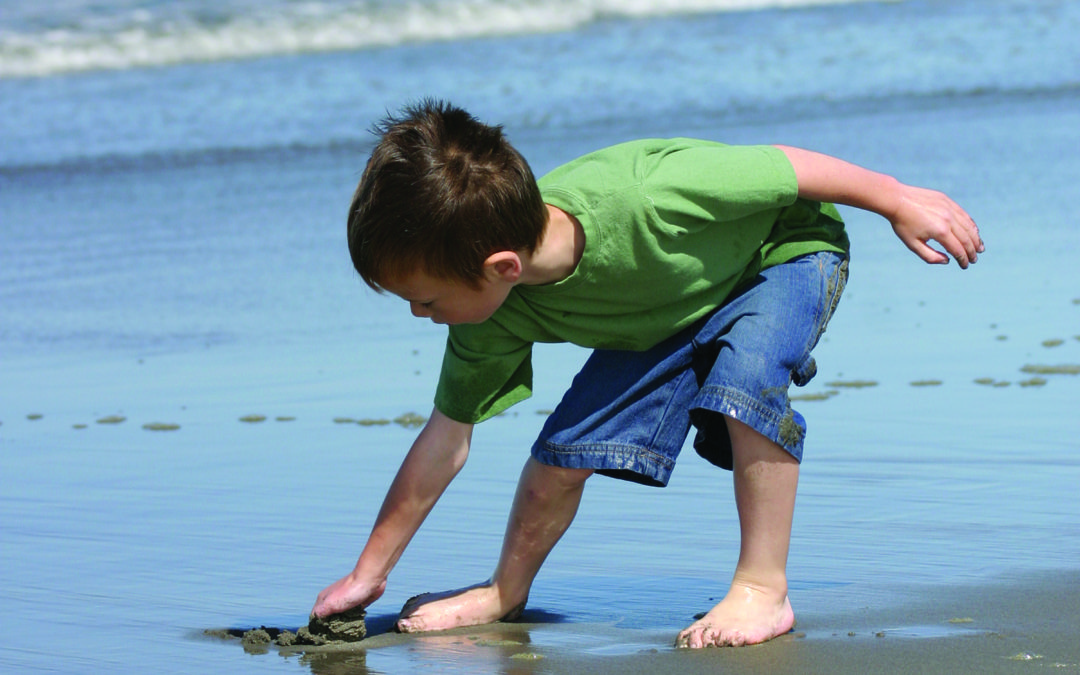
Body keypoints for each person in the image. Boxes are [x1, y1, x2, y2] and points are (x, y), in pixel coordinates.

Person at [312, 99, 982, 648]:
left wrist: (896, 198)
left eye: (424, 299)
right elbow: (444, 440)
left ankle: (762, 588)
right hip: (671, 307)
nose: (418, 314)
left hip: (782, 253)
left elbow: (786, 170)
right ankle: (504, 590)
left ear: (501, 268)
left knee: (746, 383)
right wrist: (367, 574)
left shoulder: (645, 198)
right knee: (558, 457)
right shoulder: (491, 313)